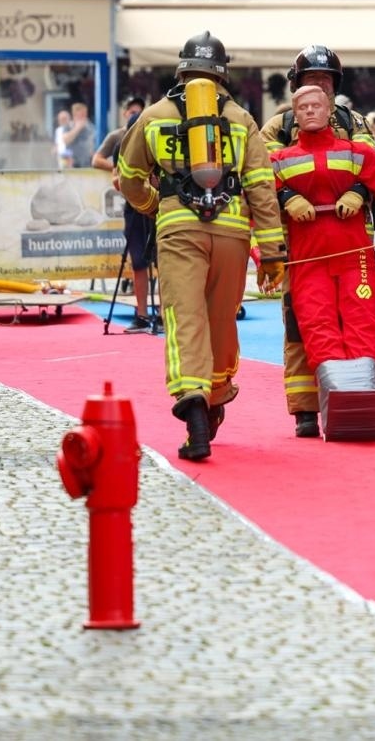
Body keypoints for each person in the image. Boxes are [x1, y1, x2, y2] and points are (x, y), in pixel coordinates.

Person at [118, 31, 286, 461]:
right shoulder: (242, 119)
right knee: (221, 320)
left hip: (179, 231)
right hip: (232, 234)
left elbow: (128, 178)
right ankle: (215, 394)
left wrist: (154, 205)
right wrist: (272, 253)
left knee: (185, 317)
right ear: (222, 74)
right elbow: (261, 187)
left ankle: (193, 402)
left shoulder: (153, 116)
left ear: (181, 71)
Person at [269, 84, 375, 428]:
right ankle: (342, 414)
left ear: (329, 110)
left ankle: (364, 411)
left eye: (316, 105)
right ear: (294, 114)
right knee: (317, 328)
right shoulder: (277, 161)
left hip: (356, 259)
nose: (309, 111)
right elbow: (253, 208)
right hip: (307, 263)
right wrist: (284, 200)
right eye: (302, 106)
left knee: (363, 326)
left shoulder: (358, 154)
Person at [260, 46, 375, 436]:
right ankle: (306, 410)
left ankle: (357, 400)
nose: (319, 86)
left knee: (355, 322)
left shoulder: (354, 122)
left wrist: (358, 191)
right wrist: (286, 198)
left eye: (325, 80)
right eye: (312, 79)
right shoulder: (277, 126)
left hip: (352, 244)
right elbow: (261, 175)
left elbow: (373, 166)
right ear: (296, 84)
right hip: (300, 245)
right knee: (301, 324)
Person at [96, 97, 157, 333]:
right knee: (138, 262)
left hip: (156, 208)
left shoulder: (155, 142)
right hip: (134, 209)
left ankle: (163, 314)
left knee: (163, 261)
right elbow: (116, 178)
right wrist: (130, 183)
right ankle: (141, 315)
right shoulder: (120, 146)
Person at [61, 102, 97, 169]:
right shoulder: (68, 126)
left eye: (85, 114)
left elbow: (95, 142)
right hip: (72, 165)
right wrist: (77, 128)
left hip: (87, 164)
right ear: (74, 115)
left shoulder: (90, 127)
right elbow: (65, 140)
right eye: (82, 114)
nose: (84, 117)